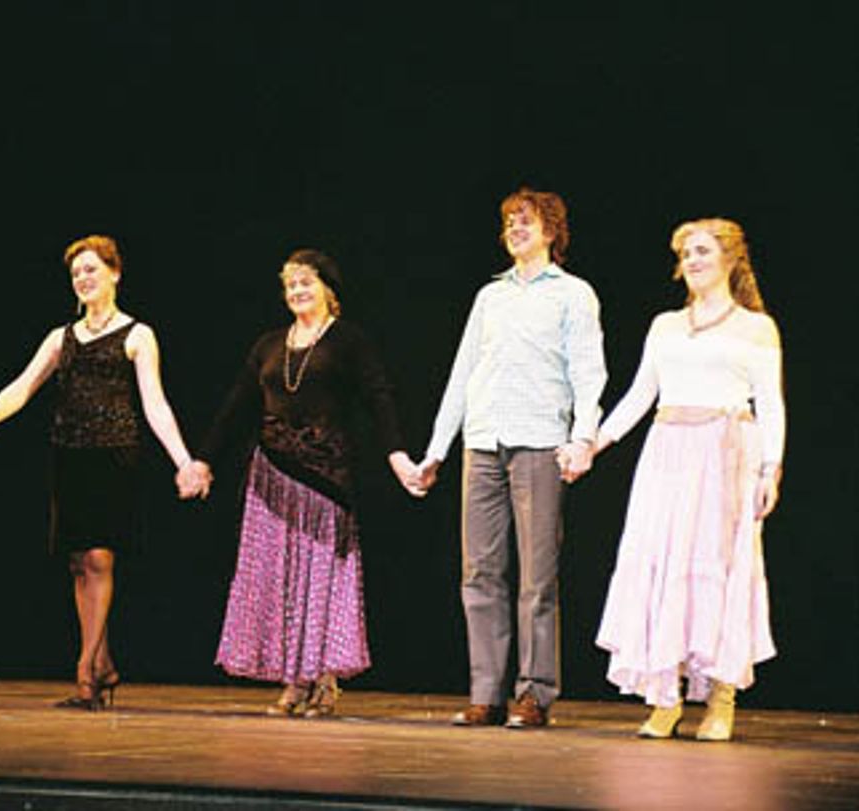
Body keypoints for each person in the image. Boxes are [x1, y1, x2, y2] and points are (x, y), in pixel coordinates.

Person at [0, 234, 203, 710]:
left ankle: (84, 671)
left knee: (100, 560)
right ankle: (102, 664)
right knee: (80, 563)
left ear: (115, 274)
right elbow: (20, 390)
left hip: (115, 457)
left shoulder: (137, 335)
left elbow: (154, 402)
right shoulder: (61, 338)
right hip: (70, 458)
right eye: (77, 272)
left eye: (92, 270)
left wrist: (183, 461)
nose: (83, 278)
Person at [188, 248, 420, 718]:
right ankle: (293, 681)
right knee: (280, 580)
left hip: (324, 478)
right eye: (291, 285)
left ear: (329, 290)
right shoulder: (269, 345)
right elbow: (238, 405)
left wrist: (397, 455)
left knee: (320, 578)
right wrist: (204, 460)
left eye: (306, 283)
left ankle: (325, 679)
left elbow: (379, 399)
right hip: (272, 478)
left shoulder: (349, 341)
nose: (297, 292)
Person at [414, 188, 607, 728]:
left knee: (536, 576)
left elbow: (589, 373)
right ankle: (486, 692)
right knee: (479, 572)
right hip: (483, 440)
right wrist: (436, 451)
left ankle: (535, 692)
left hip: (541, 441)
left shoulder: (573, 294)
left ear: (551, 231)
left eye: (527, 220)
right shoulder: (489, 297)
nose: (516, 229)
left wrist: (583, 437)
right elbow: (461, 375)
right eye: (508, 222)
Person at [593, 218, 784, 741]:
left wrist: (771, 467)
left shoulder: (755, 328)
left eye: (702, 251)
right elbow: (639, 395)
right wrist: (596, 441)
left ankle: (722, 698)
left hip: (725, 453)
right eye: (686, 253)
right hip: (668, 453)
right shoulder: (665, 325)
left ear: (729, 259)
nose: (693, 261)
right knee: (662, 564)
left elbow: (771, 403)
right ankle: (665, 698)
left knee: (720, 567)